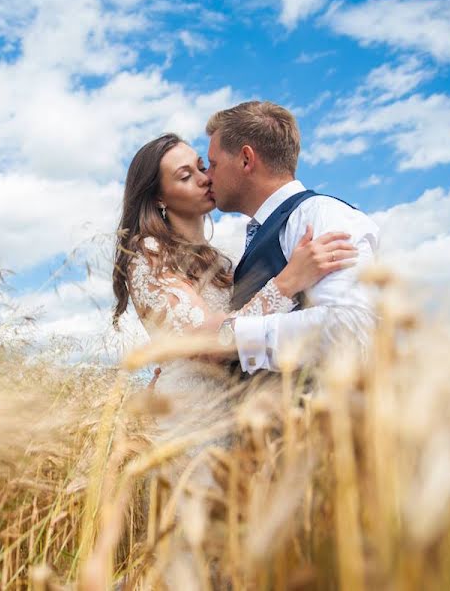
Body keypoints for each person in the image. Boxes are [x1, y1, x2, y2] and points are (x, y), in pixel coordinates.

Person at [111, 132, 358, 586]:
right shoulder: (147, 252)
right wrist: (288, 282)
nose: (205, 179)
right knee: (193, 547)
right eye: (186, 176)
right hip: (191, 417)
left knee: (237, 549)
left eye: (202, 166)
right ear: (160, 198)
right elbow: (204, 340)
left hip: (239, 414)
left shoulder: (225, 257)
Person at [204, 101, 380, 374]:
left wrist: (235, 334)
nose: (207, 176)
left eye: (213, 164)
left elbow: (351, 329)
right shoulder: (256, 237)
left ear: (246, 159)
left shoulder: (320, 215)